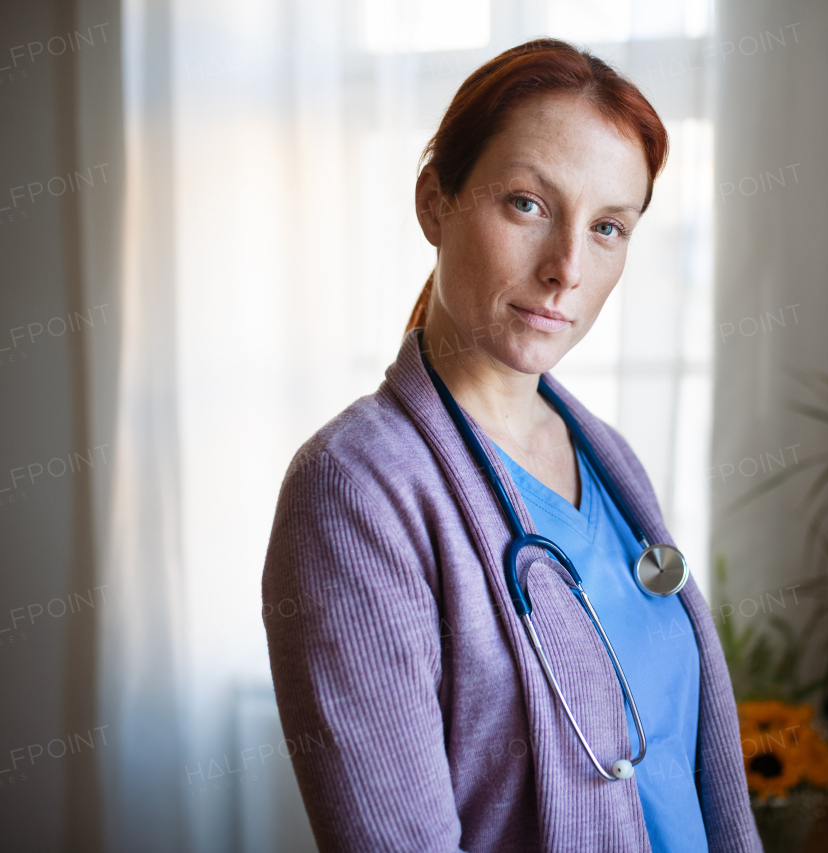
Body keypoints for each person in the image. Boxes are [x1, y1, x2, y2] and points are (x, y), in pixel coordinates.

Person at [262, 39, 761, 853]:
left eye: (607, 226)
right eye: (528, 204)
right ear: (435, 203)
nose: (566, 268)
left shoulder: (609, 462)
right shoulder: (355, 489)